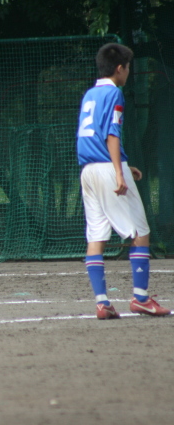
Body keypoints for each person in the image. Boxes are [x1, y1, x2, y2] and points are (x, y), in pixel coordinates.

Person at [76, 43, 170, 319]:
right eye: (128, 68)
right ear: (120, 68)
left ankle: (102, 303)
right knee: (140, 231)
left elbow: (94, 136)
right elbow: (111, 134)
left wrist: (126, 166)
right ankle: (141, 298)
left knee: (96, 235)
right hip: (107, 168)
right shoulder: (114, 93)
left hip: (89, 170)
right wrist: (119, 172)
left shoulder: (90, 94)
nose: (128, 72)